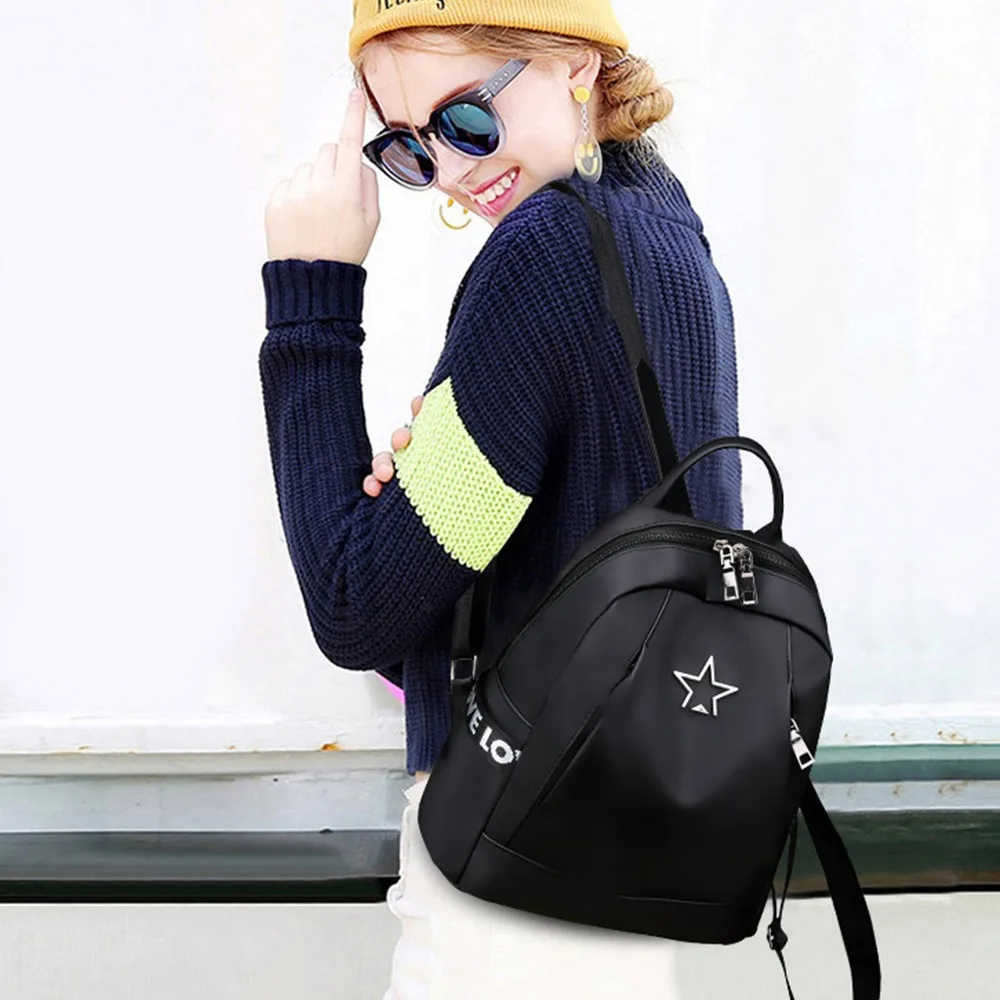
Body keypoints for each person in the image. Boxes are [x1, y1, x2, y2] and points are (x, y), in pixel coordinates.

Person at [260, 2, 743, 996]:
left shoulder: (548, 255)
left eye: (465, 120)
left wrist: (311, 292)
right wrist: (413, 525)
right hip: (615, 841)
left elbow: (352, 611)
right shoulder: (660, 225)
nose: (447, 170)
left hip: (510, 859)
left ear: (573, 61)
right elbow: (481, 601)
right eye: (406, 147)